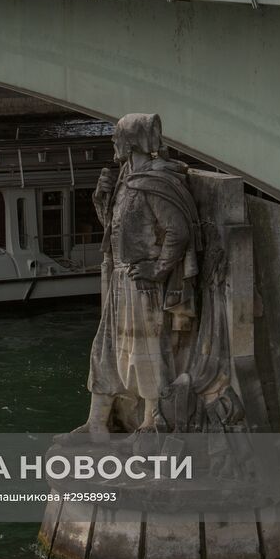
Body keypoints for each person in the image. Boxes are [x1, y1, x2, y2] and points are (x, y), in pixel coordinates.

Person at [74, 114, 201, 434]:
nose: (113, 142)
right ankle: (97, 422)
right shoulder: (127, 179)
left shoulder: (154, 182)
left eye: (117, 137)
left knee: (146, 349)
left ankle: (152, 418)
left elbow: (178, 231)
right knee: (107, 348)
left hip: (141, 283)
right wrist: (103, 199)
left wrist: (158, 270)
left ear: (130, 142)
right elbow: (117, 230)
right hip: (120, 278)